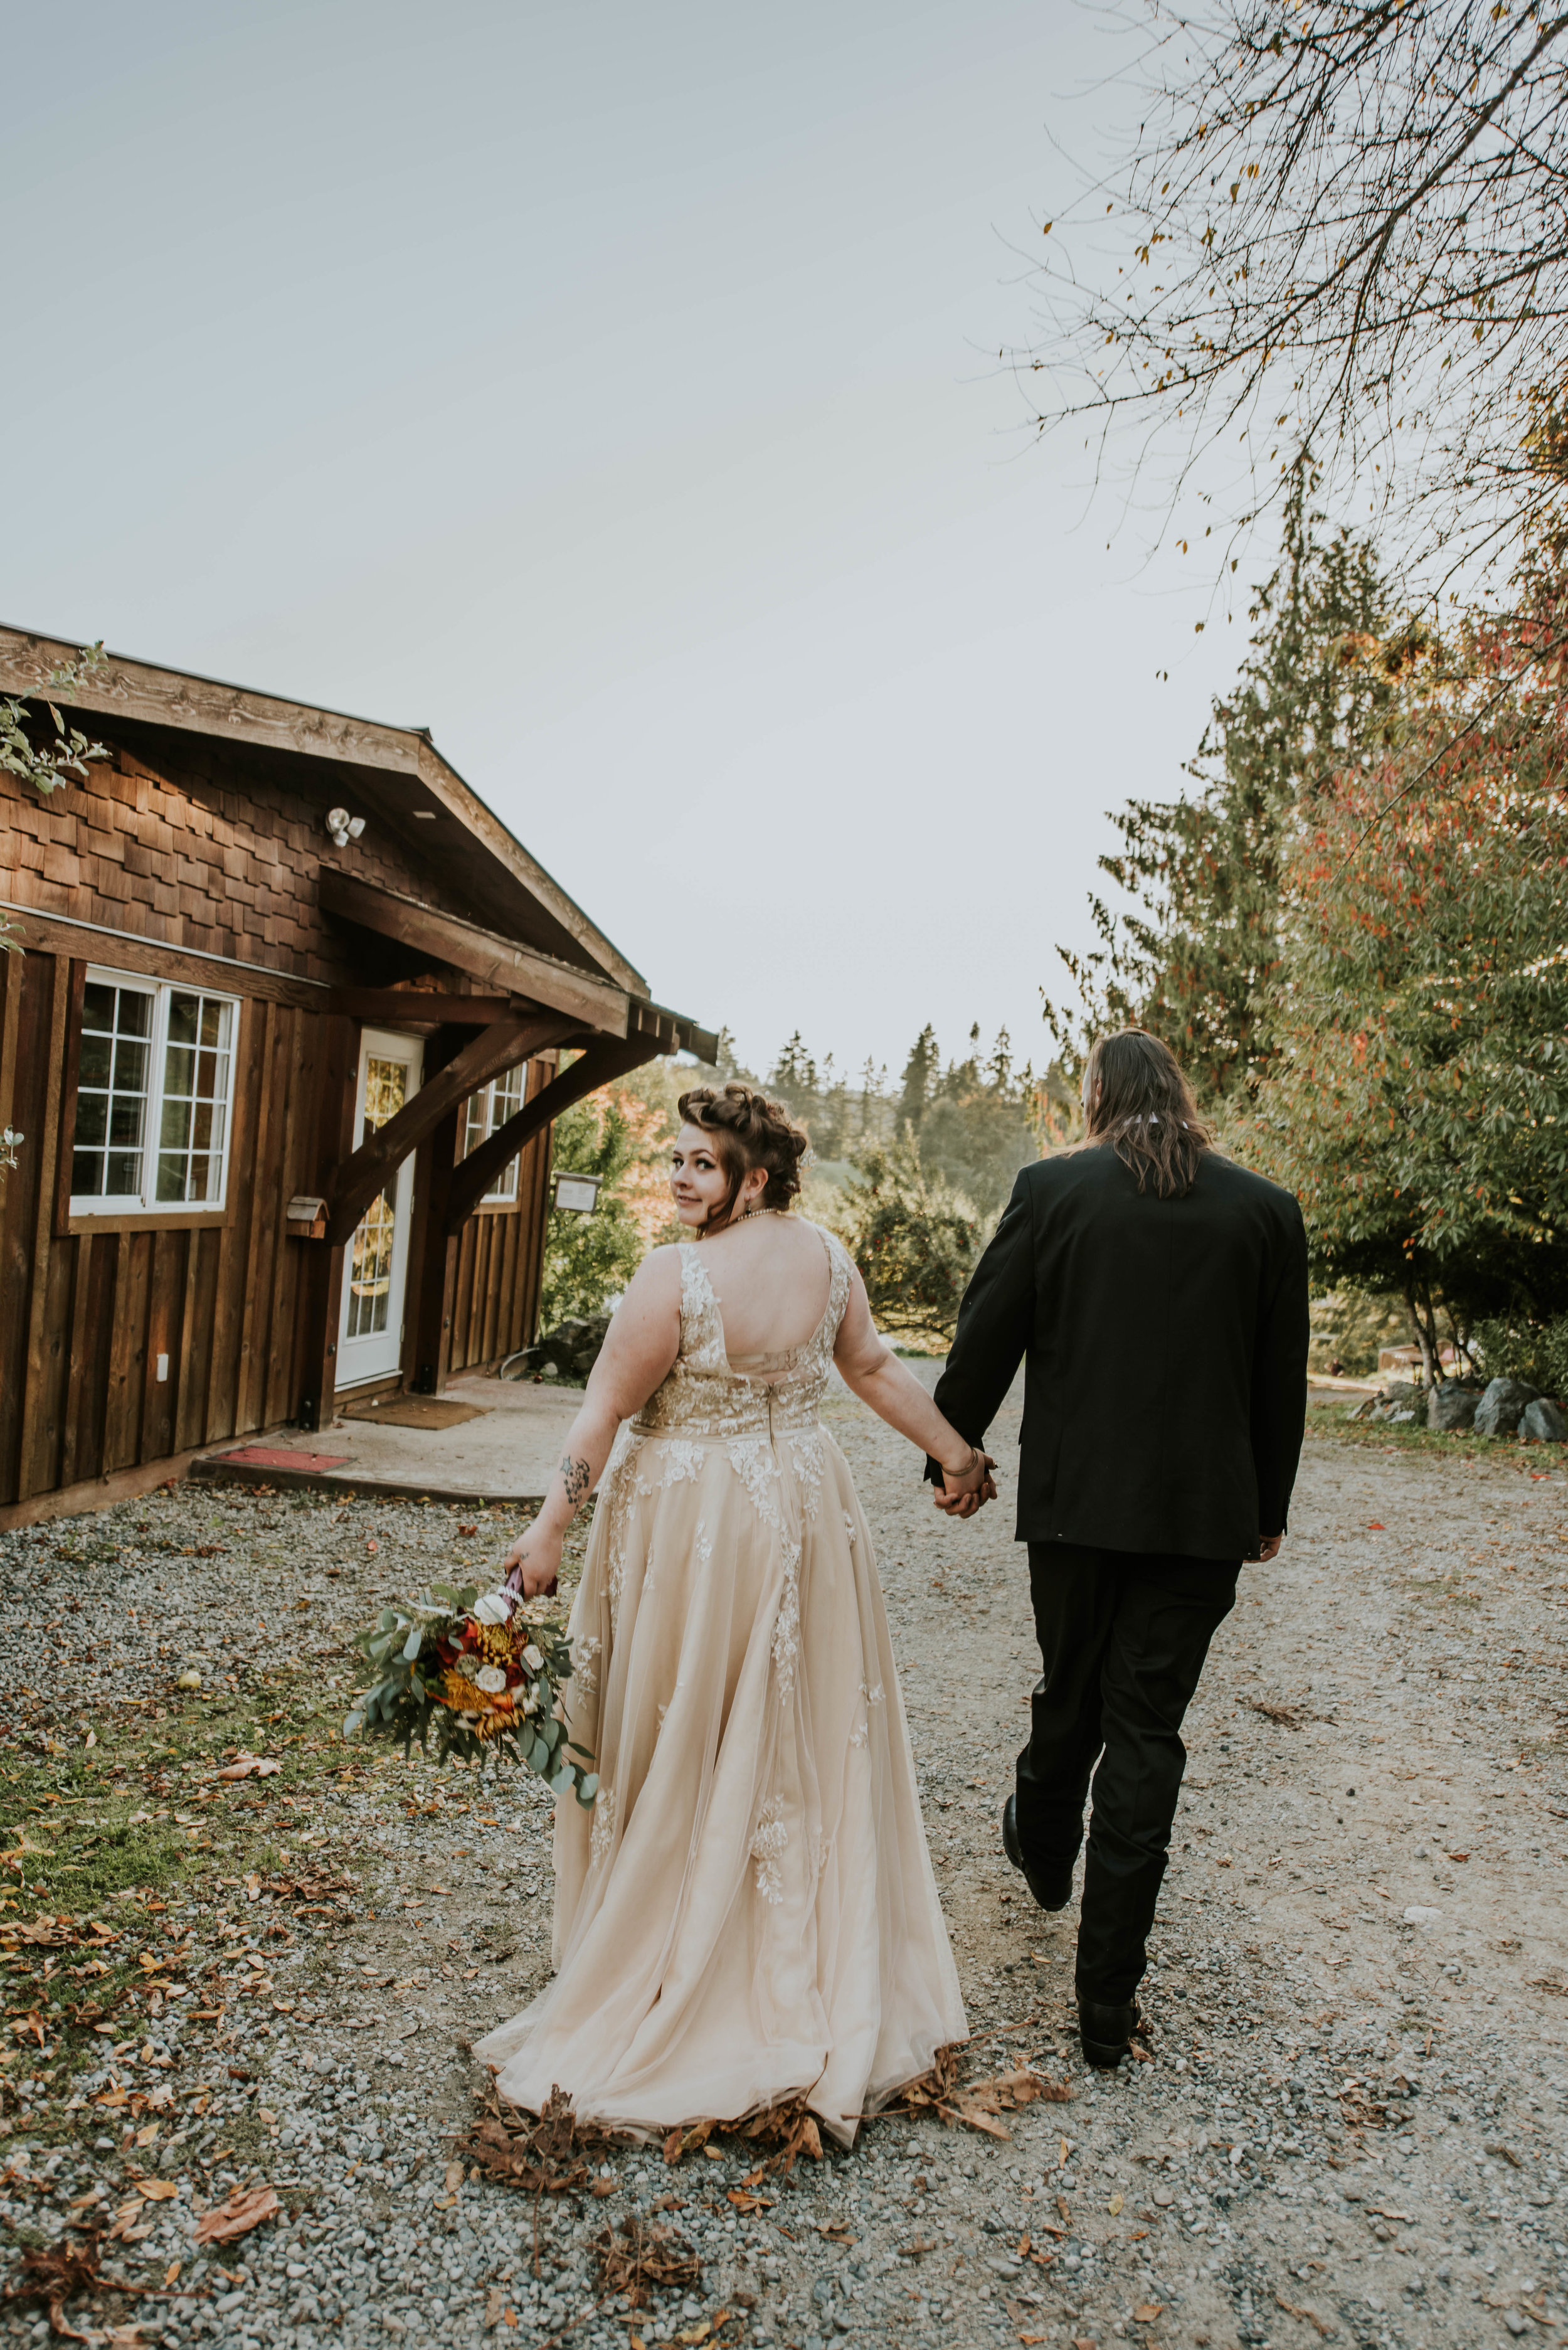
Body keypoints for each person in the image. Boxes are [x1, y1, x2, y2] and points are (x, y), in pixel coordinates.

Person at [477, 1082, 991, 2144]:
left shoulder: (675, 1276)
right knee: (797, 1733)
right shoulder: (828, 1258)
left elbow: (604, 1410)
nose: (678, 1175)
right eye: (675, 1158)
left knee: (684, 1728)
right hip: (805, 1511)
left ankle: (676, 1957)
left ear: (753, 1178)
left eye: (702, 1163)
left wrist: (550, 1531)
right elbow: (873, 1367)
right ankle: (797, 1959)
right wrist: (951, 1452)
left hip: (695, 1525)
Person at [928, 1030, 1308, 2068]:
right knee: (1149, 1733)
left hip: (1075, 1508)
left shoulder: (1053, 1189)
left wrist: (950, 1448)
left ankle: (1044, 1844)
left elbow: (988, 1328)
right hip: (1202, 1521)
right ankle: (1106, 2007)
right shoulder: (1266, 1211)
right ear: (1180, 1096)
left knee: (1073, 1686)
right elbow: (1283, 1379)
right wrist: (1266, 1505)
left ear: (1098, 1095)